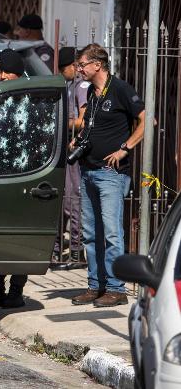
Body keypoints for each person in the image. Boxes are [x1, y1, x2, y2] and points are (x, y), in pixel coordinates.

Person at [71, 44, 147, 308]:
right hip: (88, 170)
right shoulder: (92, 92)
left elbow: (147, 120)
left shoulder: (121, 89)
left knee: (112, 233)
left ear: (97, 65)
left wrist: (124, 149)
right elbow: (93, 126)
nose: (79, 69)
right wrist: (79, 139)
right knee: (91, 234)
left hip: (110, 174)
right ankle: (96, 285)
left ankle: (116, 288)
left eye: (82, 65)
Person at [0, 48, 29, 310]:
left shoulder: (30, 96)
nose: (1, 76)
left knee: (19, 240)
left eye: (5, 71)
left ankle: (15, 290)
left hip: (25, 174)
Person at [51, 47, 89, 270]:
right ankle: (57, 249)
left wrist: (61, 123)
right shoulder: (67, 85)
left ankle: (76, 250)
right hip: (63, 149)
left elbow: (83, 121)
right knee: (61, 198)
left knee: (73, 200)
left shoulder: (81, 87)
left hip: (75, 150)